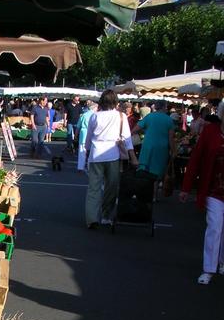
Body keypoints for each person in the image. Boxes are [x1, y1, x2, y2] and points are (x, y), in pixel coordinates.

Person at [179, 114, 224, 284]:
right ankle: (209, 269)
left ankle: (222, 262)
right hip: (213, 190)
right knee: (214, 226)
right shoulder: (210, 131)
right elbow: (196, 158)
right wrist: (186, 188)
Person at [84, 88, 134, 229]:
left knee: (94, 188)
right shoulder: (121, 116)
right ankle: (106, 215)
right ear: (115, 102)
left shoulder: (95, 116)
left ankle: (92, 219)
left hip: (96, 154)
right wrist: (132, 157)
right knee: (111, 187)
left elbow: (88, 138)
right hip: (113, 154)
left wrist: (86, 151)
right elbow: (127, 139)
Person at [132, 99, 176, 180]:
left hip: (147, 146)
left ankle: (144, 191)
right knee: (157, 175)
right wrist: (173, 151)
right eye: (166, 107)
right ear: (164, 107)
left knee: (144, 172)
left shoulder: (149, 116)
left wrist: (145, 131)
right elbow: (171, 139)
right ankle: (154, 192)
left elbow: (134, 130)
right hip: (161, 149)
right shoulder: (169, 120)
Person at [75, 100, 97, 172]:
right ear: (94, 108)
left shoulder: (84, 115)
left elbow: (78, 126)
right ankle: (90, 167)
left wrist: (76, 135)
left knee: (82, 152)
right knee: (91, 153)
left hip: (83, 134)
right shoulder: (95, 115)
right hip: (92, 135)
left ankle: (80, 167)